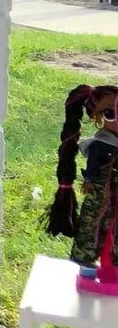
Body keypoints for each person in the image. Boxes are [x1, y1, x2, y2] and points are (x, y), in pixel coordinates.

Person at [46, 83, 118, 280]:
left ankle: (112, 267)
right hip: (100, 193)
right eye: (110, 114)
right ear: (97, 118)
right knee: (93, 225)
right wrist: (89, 180)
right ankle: (85, 263)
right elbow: (94, 166)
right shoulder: (101, 144)